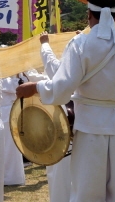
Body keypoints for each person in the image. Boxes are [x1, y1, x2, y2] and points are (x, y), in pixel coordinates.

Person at [16, 0, 115, 202]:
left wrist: (35, 87)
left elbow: (62, 88)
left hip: (90, 129)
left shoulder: (80, 45)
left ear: (89, 15)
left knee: (87, 194)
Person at [38, 31, 72, 202]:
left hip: (68, 125)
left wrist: (44, 43)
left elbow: (53, 67)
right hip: (92, 126)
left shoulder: (70, 70)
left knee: (61, 172)